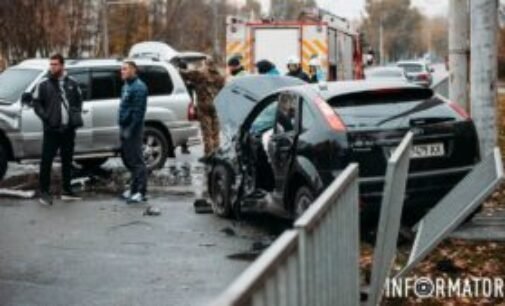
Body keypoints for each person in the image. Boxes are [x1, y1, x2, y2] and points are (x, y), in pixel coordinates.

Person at [33, 53, 84, 206]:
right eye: (51, 64)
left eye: (55, 64)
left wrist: (74, 115)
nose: (52, 67)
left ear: (62, 65)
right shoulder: (43, 84)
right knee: (46, 161)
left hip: (68, 130)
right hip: (52, 129)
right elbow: (36, 103)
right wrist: (46, 117)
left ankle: (67, 190)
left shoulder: (73, 83)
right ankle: (44, 192)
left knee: (67, 160)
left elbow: (79, 100)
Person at [179, 58, 225, 158]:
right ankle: (216, 153)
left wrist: (177, 68)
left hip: (204, 105)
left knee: (206, 131)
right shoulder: (220, 76)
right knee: (216, 131)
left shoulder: (200, 73)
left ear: (206, 64)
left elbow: (185, 74)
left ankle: (208, 153)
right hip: (216, 105)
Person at [118, 60, 148, 204]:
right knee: (129, 160)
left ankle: (140, 192)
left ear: (133, 70)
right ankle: (133, 189)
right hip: (125, 127)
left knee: (137, 161)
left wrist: (130, 130)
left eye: (124, 69)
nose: (121, 72)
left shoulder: (139, 88)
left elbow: (138, 113)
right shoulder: (126, 85)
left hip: (133, 129)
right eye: (121, 69)